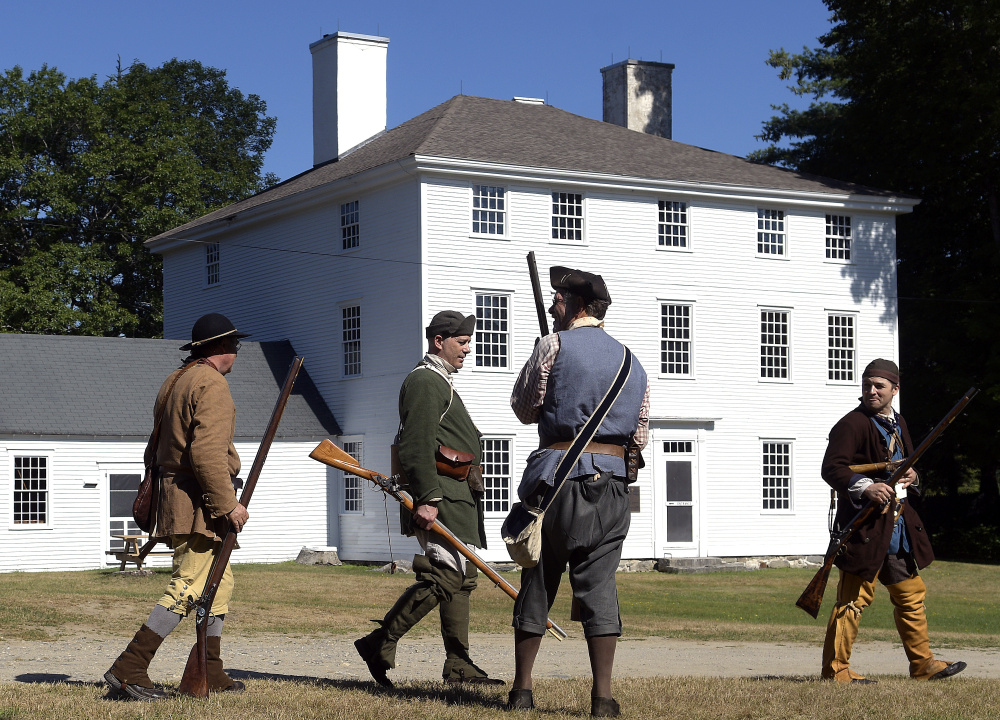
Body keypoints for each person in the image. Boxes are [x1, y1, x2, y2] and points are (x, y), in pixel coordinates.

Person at [508, 267, 649, 718]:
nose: (552, 306)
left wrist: (540, 363)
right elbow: (640, 436)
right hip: (611, 486)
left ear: (574, 304)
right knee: (600, 588)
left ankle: (523, 692)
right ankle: (603, 699)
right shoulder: (633, 361)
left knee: (538, 578)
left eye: (557, 299)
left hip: (556, 483)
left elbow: (524, 410)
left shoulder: (553, 345)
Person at [105, 313, 251, 700]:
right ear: (222, 347)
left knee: (220, 582)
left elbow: (154, 450)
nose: (237, 352)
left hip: (182, 495)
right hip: (198, 499)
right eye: (235, 345)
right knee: (188, 584)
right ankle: (130, 667)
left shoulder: (176, 380)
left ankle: (211, 668)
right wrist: (227, 504)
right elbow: (206, 453)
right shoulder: (212, 383)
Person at [354, 310, 504, 688]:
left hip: (454, 497)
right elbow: (415, 444)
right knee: (444, 575)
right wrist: (429, 496)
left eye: (468, 342)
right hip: (441, 496)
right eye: (462, 342)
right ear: (439, 341)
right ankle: (379, 644)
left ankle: (459, 665)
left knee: (462, 577)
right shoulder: (425, 381)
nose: (468, 349)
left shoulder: (440, 381)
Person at [820, 359, 966, 684]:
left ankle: (923, 665)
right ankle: (836, 671)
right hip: (866, 528)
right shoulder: (853, 424)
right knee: (852, 602)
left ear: (894, 390)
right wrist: (866, 487)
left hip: (897, 527)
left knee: (911, 597)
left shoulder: (898, 422)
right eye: (867, 385)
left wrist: (913, 476)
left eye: (879, 386)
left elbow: (906, 467)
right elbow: (832, 468)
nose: (871, 391)